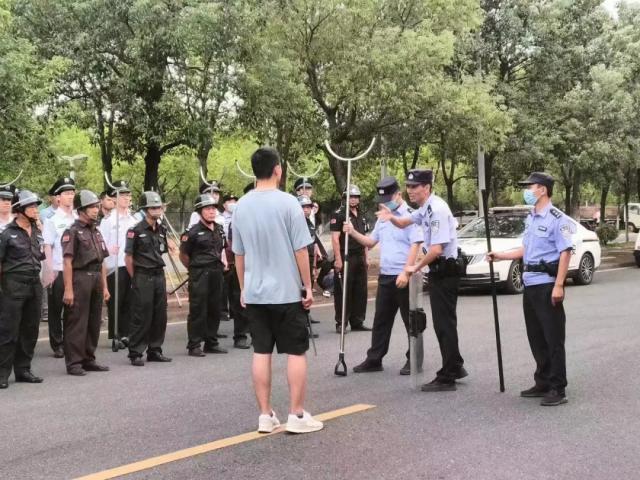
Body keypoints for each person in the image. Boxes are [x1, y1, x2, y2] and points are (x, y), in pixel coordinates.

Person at [232, 147, 323, 434]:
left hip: (255, 292)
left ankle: (265, 414)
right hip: (286, 292)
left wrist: (243, 288)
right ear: (278, 170)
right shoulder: (289, 203)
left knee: (261, 351)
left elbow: (238, 254)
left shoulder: (241, 206)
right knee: (296, 352)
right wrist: (308, 286)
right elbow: (301, 250)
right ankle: (296, 414)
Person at [487, 172, 574, 406]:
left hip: (547, 284)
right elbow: (525, 249)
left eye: (530, 187)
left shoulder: (558, 219)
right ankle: (543, 381)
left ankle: (558, 388)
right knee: (536, 336)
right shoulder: (531, 217)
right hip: (530, 284)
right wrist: (500, 255)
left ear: (543, 190)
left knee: (553, 337)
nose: (527, 191)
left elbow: (566, 252)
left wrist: (559, 285)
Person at [377, 169, 467, 392]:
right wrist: (391, 218)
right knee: (444, 323)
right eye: (408, 186)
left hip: (445, 272)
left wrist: (414, 267)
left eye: (415, 186)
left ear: (426, 187)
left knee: (444, 324)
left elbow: (436, 249)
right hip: (438, 271)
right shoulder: (425, 208)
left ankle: (448, 375)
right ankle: (455, 365)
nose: (410, 190)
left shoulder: (436, 210)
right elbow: (405, 222)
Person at [344, 177, 422, 375]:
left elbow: (416, 245)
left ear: (398, 195)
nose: (384, 204)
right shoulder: (382, 218)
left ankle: (414, 359)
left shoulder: (411, 216)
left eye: (388, 199)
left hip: (404, 276)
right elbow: (371, 242)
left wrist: (406, 271)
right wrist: (352, 232)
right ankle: (375, 359)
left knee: (411, 320)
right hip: (386, 276)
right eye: (382, 201)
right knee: (381, 320)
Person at [61, 190, 110, 376]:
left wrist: (105, 286)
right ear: (81, 210)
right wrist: (68, 289)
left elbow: (102, 261)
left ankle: (89, 358)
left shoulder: (96, 231)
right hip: (80, 277)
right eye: (91, 207)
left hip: (96, 277)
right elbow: (67, 262)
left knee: (94, 321)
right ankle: (74, 362)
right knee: (77, 322)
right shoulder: (72, 231)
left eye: (97, 206)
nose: (96, 210)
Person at [0, 190, 46, 389]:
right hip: (13, 285)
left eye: (36, 206)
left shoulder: (37, 231)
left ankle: (23, 370)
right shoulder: (6, 234)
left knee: (30, 330)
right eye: (31, 206)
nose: (35, 210)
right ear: (19, 210)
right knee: (8, 331)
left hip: (34, 284)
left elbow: (41, 257)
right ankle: (2, 373)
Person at [125, 191, 171, 366]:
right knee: (141, 315)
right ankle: (135, 352)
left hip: (159, 275)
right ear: (145, 210)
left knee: (160, 315)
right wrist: (136, 278)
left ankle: (155, 350)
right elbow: (128, 258)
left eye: (159, 207)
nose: (157, 210)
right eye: (153, 208)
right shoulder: (135, 231)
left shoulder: (162, 229)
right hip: (143, 276)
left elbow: (162, 251)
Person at [179, 194, 228, 356]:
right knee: (198, 309)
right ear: (200, 211)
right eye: (208, 209)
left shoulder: (219, 229)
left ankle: (211, 342)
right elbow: (184, 255)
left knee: (215, 308)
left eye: (213, 208)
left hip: (216, 272)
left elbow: (221, 249)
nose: (212, 212)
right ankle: (194, 344)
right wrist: (194, 269)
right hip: (200, 273)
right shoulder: (192, 232)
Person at [99, 180, 136, 348]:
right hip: (114, 266)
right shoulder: (108, 221)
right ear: (114, 198)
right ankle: (116, 334)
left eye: (128, 195)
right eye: (123, 195)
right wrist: (108, 249)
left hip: (130, 264)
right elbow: (101, 243)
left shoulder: (133, 219)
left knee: (129, 300)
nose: (127, 198)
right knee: (116, 302)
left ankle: (127, 333)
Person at [42, 177, 77, 358]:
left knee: (74, 309)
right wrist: (49, 270)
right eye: (66, 193)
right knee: (56, 310)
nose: (70, 196)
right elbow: (47, 246)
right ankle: (57, 344)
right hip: (58, 269)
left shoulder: (78, 218)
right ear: (58, 197)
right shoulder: (52, 220)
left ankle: (71, 341)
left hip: (76, 270)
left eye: (72, 193)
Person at [330, 185, 371, 333]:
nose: (353, 199)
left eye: (355, 197)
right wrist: (338, 259)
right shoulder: (339, 214)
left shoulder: (361, 214)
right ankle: (341, 322)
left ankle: (357, 321)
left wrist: (366, 258)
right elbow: (335, 239)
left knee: (361, 290)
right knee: (343, 291)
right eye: (350, 197)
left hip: (360, 255)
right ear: (344, 198)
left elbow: (364, 237)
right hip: (345, 255)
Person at [222, 194, 251, 349]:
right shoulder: (236, 222)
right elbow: (235, 246)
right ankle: (240, 336)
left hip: (259, 265)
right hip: (241, 263)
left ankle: (258, 333)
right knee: (239, 300)